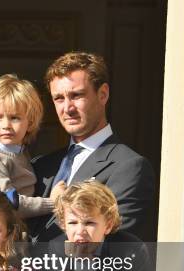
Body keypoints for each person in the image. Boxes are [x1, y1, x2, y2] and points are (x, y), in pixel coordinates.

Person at [30, 51, 155, 242]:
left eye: (76, 95)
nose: (67, 108)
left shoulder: (130, 167)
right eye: (59, 98)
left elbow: (112, 247)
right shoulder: (41, 165)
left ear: (103, 94)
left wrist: (35, 261)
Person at [43, 181, 149, 271]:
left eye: (89, 223)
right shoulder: (57, 248)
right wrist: (77, 263)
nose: (80, 231)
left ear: (108, 225)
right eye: (73, 223)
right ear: (63, 224)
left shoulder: (131, 249)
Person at [0, 74, 65, 219]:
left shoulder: (20, 154)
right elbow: (7, 204)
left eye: (14, 118)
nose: (6, 125)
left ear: (30, 122)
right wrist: (53, 203)